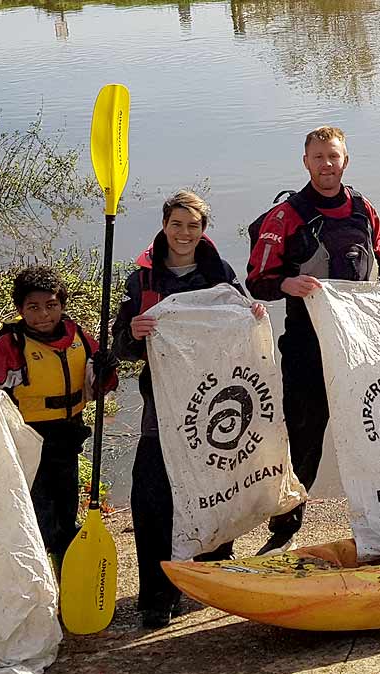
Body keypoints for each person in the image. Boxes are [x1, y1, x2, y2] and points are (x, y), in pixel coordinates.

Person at [246, 125, 380, 555]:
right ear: (305, 161)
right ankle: (286, 525)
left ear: (346, 160)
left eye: (334, 157)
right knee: (306, 435)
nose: (327, 165)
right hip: (307, 344)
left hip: (359, 342)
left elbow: (377, 252)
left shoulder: (362, 207)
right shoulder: (285, 216)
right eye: (319, 157)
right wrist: (288, 284)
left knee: (373, 426)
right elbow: (257, 281)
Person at [111, 190, 267, 629]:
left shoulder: (220, 273)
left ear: (204, 230)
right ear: (164, 225)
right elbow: (120, 345)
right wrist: (134, 333)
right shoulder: (142, 279)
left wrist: (252, 313)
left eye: (193, 226)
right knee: (152, 495)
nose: (184, 233)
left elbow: (243, 321)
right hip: (161, 406)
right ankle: (158, 595)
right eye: (177, 224)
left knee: (221, 481)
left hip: (215, 403)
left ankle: (213, 570)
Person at [0, 266, 118, 574]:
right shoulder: (12, 346)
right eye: (33, 308)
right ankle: (35, 585)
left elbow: (98, 386)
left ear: (62, 305)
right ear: (20, 310)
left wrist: (105, 368)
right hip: (28, 445)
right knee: (38, 522)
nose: (43, 315)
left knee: (65, 520)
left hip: (67, 440)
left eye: (51, 305)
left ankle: (68, 585)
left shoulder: (78, 337)